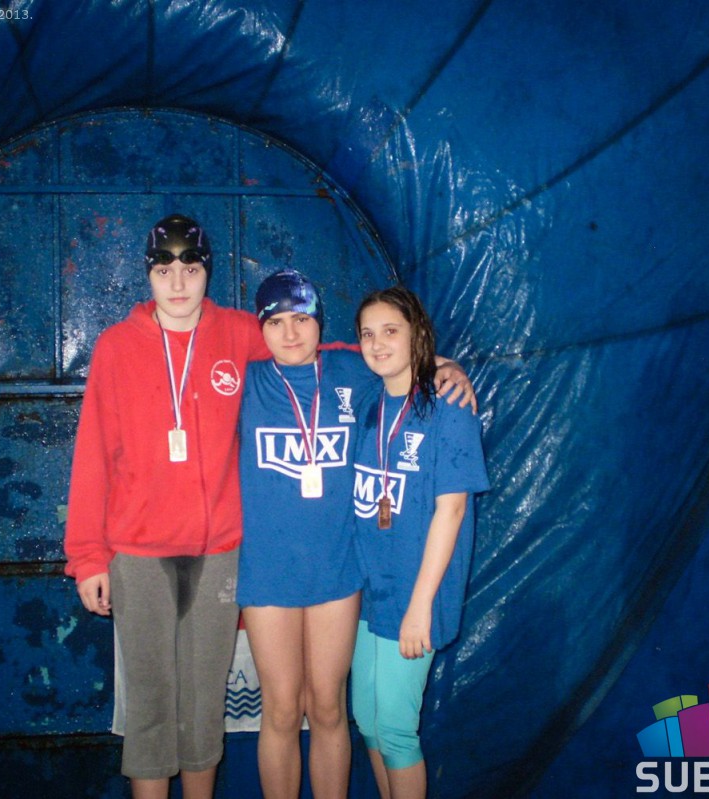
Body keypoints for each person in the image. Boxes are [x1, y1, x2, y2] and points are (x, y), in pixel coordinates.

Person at [237, 270, 477, 799]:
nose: (290, 333)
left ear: (320, 325)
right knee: (281, 710)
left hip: (339, 570)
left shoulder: (350, 371)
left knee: (329, 707)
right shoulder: (244, 380)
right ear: (261, 328)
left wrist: (449, 367)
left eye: (302, 320)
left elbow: (398, 356)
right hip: (268, 573)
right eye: (276, 322)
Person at [63, 214, 271, 799]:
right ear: (148, 275)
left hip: (217, 551)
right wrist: (88, 557)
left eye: (191, 268)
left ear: (208, 272)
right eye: (163, 270)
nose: (177, 283)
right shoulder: (116, 346)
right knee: (151, 707)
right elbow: (93, 456)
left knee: (204, 706)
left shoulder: (238, 333)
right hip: (137, 553)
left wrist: (418, 363)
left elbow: (308, 346)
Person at [349, 285, 490, 799]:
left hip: (416, 593)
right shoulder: (368, 402)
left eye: (391, 331)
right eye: (368, 334)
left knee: (395, 729)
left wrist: (420, 606)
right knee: (367, 720)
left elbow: (452, 511)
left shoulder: (449, 407)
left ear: (417, 334)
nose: (378, 343)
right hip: (369, 592)